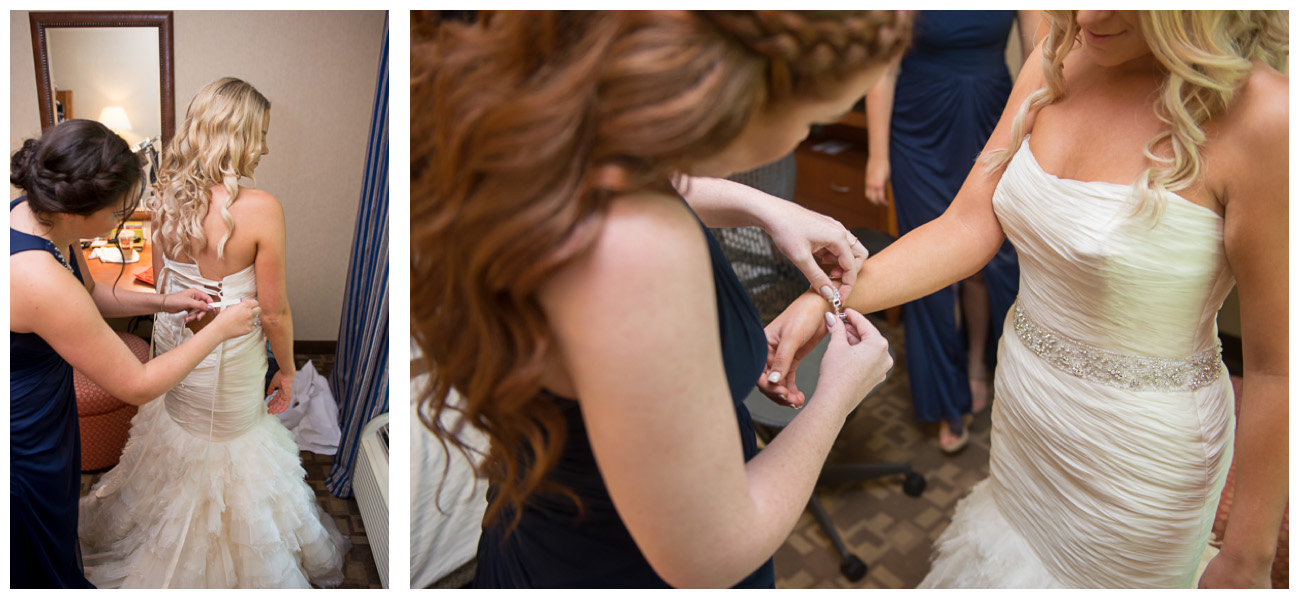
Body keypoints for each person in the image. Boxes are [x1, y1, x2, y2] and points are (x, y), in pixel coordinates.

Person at [761, 10, 1287, 587]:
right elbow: (965, 227)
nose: (1085, 15)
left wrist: (1247, 557)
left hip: (1137, 464)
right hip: (1027, 419)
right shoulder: (1056, 58)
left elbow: (1277, 368)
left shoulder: (1266, 118)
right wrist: (829, 298)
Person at [413, 10, 911, 588]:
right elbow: (708, 558)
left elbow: (642, 176)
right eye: (813, 119)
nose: (803, 138)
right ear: (738, 95)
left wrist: (763, 206)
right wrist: (839, 393)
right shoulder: (637, 251)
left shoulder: (546, 129)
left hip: (542, 525)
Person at [77, 77, 349, 588]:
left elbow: (163, 285)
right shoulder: (262, 208)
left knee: (181, 434)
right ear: (236, 135)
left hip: (175, 348)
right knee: (232, 442)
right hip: (230, 360)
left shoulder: (164, 198)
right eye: (261, 133)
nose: (265, 147)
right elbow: (274, 314)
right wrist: (287, 373)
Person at [10, 118, 261, 588]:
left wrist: (166, 301)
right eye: (119, 214)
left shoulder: (35, 214)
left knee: (53, 531)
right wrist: (221, 330)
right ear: (77, 210)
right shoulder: (36, 277)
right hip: (22, 434)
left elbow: (91, 295)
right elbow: (137, 383)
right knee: (31, 547)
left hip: (46, 411)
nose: (121, 222)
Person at [863, 11, 1043, 452]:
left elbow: (1044, 56)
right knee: (929, 264)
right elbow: (883, 69)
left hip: (992, 118)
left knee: (992, 262)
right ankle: (946, 400)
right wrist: (876, 155)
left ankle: (980, 366)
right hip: (919, 127)